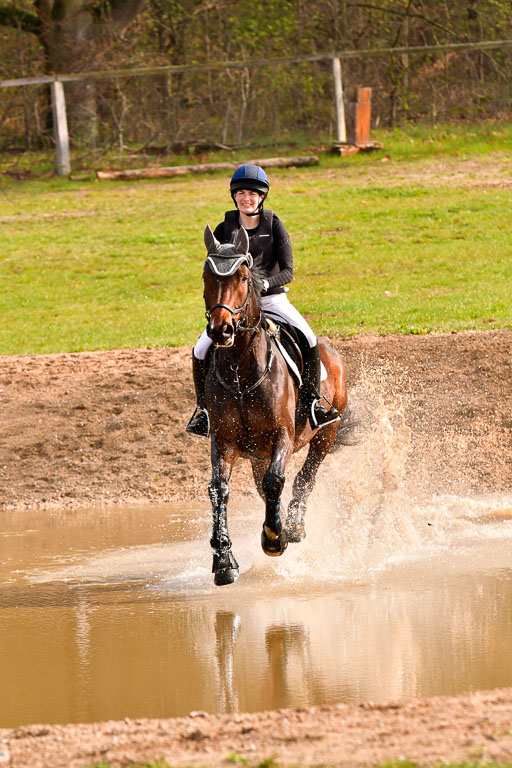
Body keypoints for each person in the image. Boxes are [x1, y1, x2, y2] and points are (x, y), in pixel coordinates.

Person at [186, 163, 341, 437]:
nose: (247, 198)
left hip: (272, 301)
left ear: (262, 197)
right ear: (234, 196)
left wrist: (265, 283)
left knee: (309, 338)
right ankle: (204, 411)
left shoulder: (275, 225)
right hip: (235, 308)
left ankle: (315, 403)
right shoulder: (224, 229)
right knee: (200, 349)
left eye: (253, 194)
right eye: (242, 193)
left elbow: (288, 271)